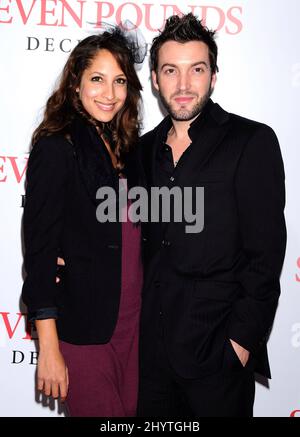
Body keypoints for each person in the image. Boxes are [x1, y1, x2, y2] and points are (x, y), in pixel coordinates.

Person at [137, 13, 286, 417]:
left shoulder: (251, 141)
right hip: (148, 360)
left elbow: (266, 256)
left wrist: (238, 344)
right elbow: (123, 236)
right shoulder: (142, 150)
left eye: (196, 70)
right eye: (171, 70)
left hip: (217, 358)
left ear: (214, 76)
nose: (183, 85)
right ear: (154, 79)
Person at [22, 27, 144, 417]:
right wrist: (50, 349)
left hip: (135, 331)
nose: (109, 93)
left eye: (120, 81)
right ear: (75, 83)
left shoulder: (129, 150)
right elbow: (40, 252)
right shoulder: (57, 147)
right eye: (97, 79)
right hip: (85, 333)